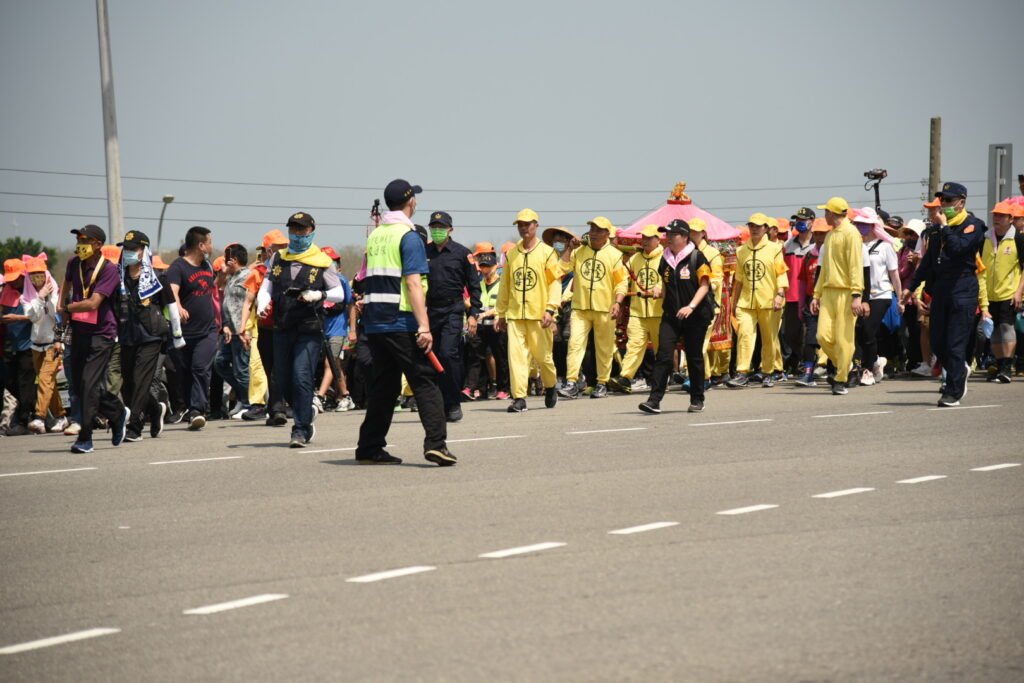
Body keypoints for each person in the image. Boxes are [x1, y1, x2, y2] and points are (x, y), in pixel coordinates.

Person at [355, 180, 455, 465]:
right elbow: (413, 283)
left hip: (375, 322)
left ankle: (369, 447)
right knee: (425, 380)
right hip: (400, 319)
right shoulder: (409, 236)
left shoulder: (376, 235)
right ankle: (436, 444)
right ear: (411, 202)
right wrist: (424, 326)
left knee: (384, 387)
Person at [256, 212, 346, 448]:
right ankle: (304, 410)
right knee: (282, 379)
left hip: (309, 328)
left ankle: (300, 429)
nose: (297, 234)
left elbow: (340, 293)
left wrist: (320, 294)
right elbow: (266, 287)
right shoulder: (278, 259)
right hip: (283, 325)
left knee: (301, 375)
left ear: (311, 231)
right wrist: (262, 303)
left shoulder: (322, 261)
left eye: (302, 230)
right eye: (293, 229)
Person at [904, 182, 988, 406]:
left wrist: (944, 228)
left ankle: (953, 390)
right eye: (942, 201)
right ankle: (959, 368)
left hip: (963, 287)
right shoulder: (933, 231)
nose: (944, 206)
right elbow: (928, 263)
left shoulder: (973, 226)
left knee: (954, 343)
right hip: (941, 288)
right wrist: (911, 288)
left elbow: (958, 249)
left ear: (961, 202)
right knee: (938, 343)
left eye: (949, 201)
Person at [57, 224, 130, 453]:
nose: (81, 246)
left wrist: (67, 307)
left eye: (85, 241)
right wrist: (61, 304)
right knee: (79, 385)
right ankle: (117, 413)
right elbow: (66, 283)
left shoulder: (109, 270)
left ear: (98, 244)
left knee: (89, 384)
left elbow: (93, 303)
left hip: (102, 333)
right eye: (79, 241)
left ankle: (85, 439)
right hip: (80, 330)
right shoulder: (73, 263)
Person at [638, 220, 715, 414]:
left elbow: (705, 285)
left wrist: (691, 306)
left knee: (694, 356)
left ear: (685, 237)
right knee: (663, 355)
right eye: (667, 235)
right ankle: (654, 400)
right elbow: (666, 286)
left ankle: (697, 399)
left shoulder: (697, 257)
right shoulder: (664, 259)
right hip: (671, 314)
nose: (669, 238)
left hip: (696, 314)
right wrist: (658, 291)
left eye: (674, 235)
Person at [116, 230, 181, 441]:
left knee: (141, 380)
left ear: (144, 250)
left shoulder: (158, 278)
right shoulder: (119, 278)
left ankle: (135, 427)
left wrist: (177, 335)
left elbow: (171, 306)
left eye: (133, 249)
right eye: (125, 249)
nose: (128, 253)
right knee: (128, 385)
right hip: (126, 336)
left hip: (151, 337)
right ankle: (155, 409)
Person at [495, 209, 561, 413]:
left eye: (528, 224)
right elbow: (505, 285)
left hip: (539, 315)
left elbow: (555, 283)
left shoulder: (548, 253)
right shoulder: (511, 254)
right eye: (520, 225)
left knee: (543, 358)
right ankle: (520, 398)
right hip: (515, 315)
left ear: (536, 226)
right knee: (517, 358)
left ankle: (550, 387)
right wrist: (501, 313)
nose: (524, 228)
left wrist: (551, 309)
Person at [557, 217, 628, 399]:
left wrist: (618, 303)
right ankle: (572, 382)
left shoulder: (614, 255)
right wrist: (569, 249)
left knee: (604, 348)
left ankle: (602, 383)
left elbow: (621, 283)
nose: (594, 232)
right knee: (575, 345)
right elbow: (560, 269)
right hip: (580, 308)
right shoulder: (579, 251)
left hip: (604, 309)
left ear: (607, 234)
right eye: (592, 228)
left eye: (599, 230)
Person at [425, 210, 481, 422]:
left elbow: (474, 287)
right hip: (430, 312)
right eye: (434, 227)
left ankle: (453, 402)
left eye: (441, 228)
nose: (437, 231)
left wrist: (473, 313)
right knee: (433, 357)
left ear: (450, 229)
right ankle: (438, 401)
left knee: (448, 354)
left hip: (453, 310)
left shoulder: (462, 253)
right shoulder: (423, 252)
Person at [726, 213, 788, 388]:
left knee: (769, 338)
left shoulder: (774, 249)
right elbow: (738, 279)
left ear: (766, 229)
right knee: (745, 336)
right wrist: (733, 302)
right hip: (746, 302)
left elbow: (781, 273)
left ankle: (768, 372)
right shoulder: (741, 251)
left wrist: (780, 294)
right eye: (751, 225)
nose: (754, 229)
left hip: (770, 301)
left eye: (758, 226)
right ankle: (742, 372)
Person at [166, 226, 218, 430]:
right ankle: (191, 408)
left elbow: (210, 291)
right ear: (201, 245)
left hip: (208, 331)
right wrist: (178, 306)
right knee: (185, 373)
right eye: (210, 242)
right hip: (184, 333)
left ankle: (198, 410)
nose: (212, 246)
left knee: (199, 367)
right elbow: (172, 291)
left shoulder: (208, 265)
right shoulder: (178, 267)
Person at [811, 197, 863, 395]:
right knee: (822, 336)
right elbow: (824, 269)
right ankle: (846, 365)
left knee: (844, 339)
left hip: (847, 292)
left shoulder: (852, 234)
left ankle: (840, 378)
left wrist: (857, 294)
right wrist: (816, 294)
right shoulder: (831, 235)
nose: (824, 215)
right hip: (829, 292)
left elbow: (855, 266)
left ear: (832, 213)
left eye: (826, 212)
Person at [239, 230, 288, 422]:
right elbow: (248, 302)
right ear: (268, 251)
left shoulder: (291, 269)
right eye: (278, 248)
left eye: (285, 247)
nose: (283, 251)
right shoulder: (258, 273)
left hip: (285, 326)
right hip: (265, 328)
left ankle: (278, 409)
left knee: (279, 369)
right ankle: (274, 406)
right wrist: (242, 327)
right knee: (267, 369)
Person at [609, 224, 663, 394]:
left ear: (658, 239)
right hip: (637, 312)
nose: (645, 241)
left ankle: (662, 377)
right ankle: (625, 377)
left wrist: (659, 289)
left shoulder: (666, 257)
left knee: (662, 348)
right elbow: (624, 280)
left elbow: (668, 278)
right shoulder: (635, 259)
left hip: (659, 312)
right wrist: (619, 298)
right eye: (643, 238)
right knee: (634, 345)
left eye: (649, 238)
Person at [851, 208, 902, 386]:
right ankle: (874, 362)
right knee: (859, 332)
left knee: (868, 330)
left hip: (881, 295)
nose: (861, 227)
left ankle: (867, 371)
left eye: (865, 224)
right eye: (858, 224)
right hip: (859, 294)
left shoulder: (885, 246)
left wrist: (900, 298)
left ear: (873, 225)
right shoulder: (855, 246)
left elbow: (894, 274)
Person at [21, 256, 68, 434]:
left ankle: (39, 417)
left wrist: (49, 297)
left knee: (45, 379)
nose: (37, 279)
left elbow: (57, 315)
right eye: (33, 275)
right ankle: (61, 416)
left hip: (54, 343)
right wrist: (39, 298)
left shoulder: (55, 292)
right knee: (49, 383)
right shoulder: (26, 298)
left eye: (40, 274)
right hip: (36, 344)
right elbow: (33, 317)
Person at [981, 201, 1023, 383]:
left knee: (1007, 327)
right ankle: (999, 365)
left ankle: (1007, 367)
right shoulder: (985, 238)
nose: (996, 218)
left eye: (1001, 215)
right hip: (989, 294)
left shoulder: (1018, 239)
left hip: (1009, 292)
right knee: (995, 330)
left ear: (1010, 219)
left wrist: (1019, 292)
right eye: (995, 214)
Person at [464, 242, 509, 400]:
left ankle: (504, 388)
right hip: (481, 327)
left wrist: (486, 313)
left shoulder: (503, 284)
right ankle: (471, 388)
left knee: (500, 357)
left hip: (497, 326)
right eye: (482, 266)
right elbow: (470, 300)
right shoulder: (479, 284)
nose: (484, 270)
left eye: (488, 267)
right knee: (475, 357)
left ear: (496, 266)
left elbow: (503, 304)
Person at [316, 245, 355, 411]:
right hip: (321, 329)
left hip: (338, 329)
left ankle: (319, 396)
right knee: (335, 365)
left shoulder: (342, 280)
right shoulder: (316, 281)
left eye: (331, 261)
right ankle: (345, 395)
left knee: (329, 362)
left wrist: (352, 329)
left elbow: (351, 304)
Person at [214, 243, 251, 418]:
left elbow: (249, 304)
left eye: (226, 260)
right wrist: (226, 325)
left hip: (242, 330)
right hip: (230, 329)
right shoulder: (231, 277)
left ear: (234, 260)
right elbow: (219, 292)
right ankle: (243, 397)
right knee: (220, 362)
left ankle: (248, 403)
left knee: (241, 369)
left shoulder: (248, 277)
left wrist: (246, 329)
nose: (224, 264)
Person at [793, 219, 831, 386]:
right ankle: (808, 372)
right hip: (811, 302)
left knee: (828, 337)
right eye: (817, 233)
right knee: (810, 337)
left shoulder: (833, 254)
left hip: (831, 301)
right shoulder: (809, 255)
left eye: (823, 233)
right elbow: (802, 282)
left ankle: (831, 369)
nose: (820, 237)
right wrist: (802, 304)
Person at [1, 259, 35, 436]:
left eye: (16, 278)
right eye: (10, 279)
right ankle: (35, 408)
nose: (13, 282)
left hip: (29, 344)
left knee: (24, 383)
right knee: (8, 380)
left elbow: (39, 316)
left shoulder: (34, 290)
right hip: (11, 345)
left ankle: (22, 421)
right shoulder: (7, 291)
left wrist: (17, 318)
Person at [781, 208, 817, 375]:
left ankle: (810, 363)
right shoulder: (788, 245)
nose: (800, 223)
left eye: (803, 220)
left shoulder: (818, 244)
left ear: (812, 221)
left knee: (811, 332)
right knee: (791, 333)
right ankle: (796, 361)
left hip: (812, 295)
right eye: (797, 220)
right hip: (791, 295)